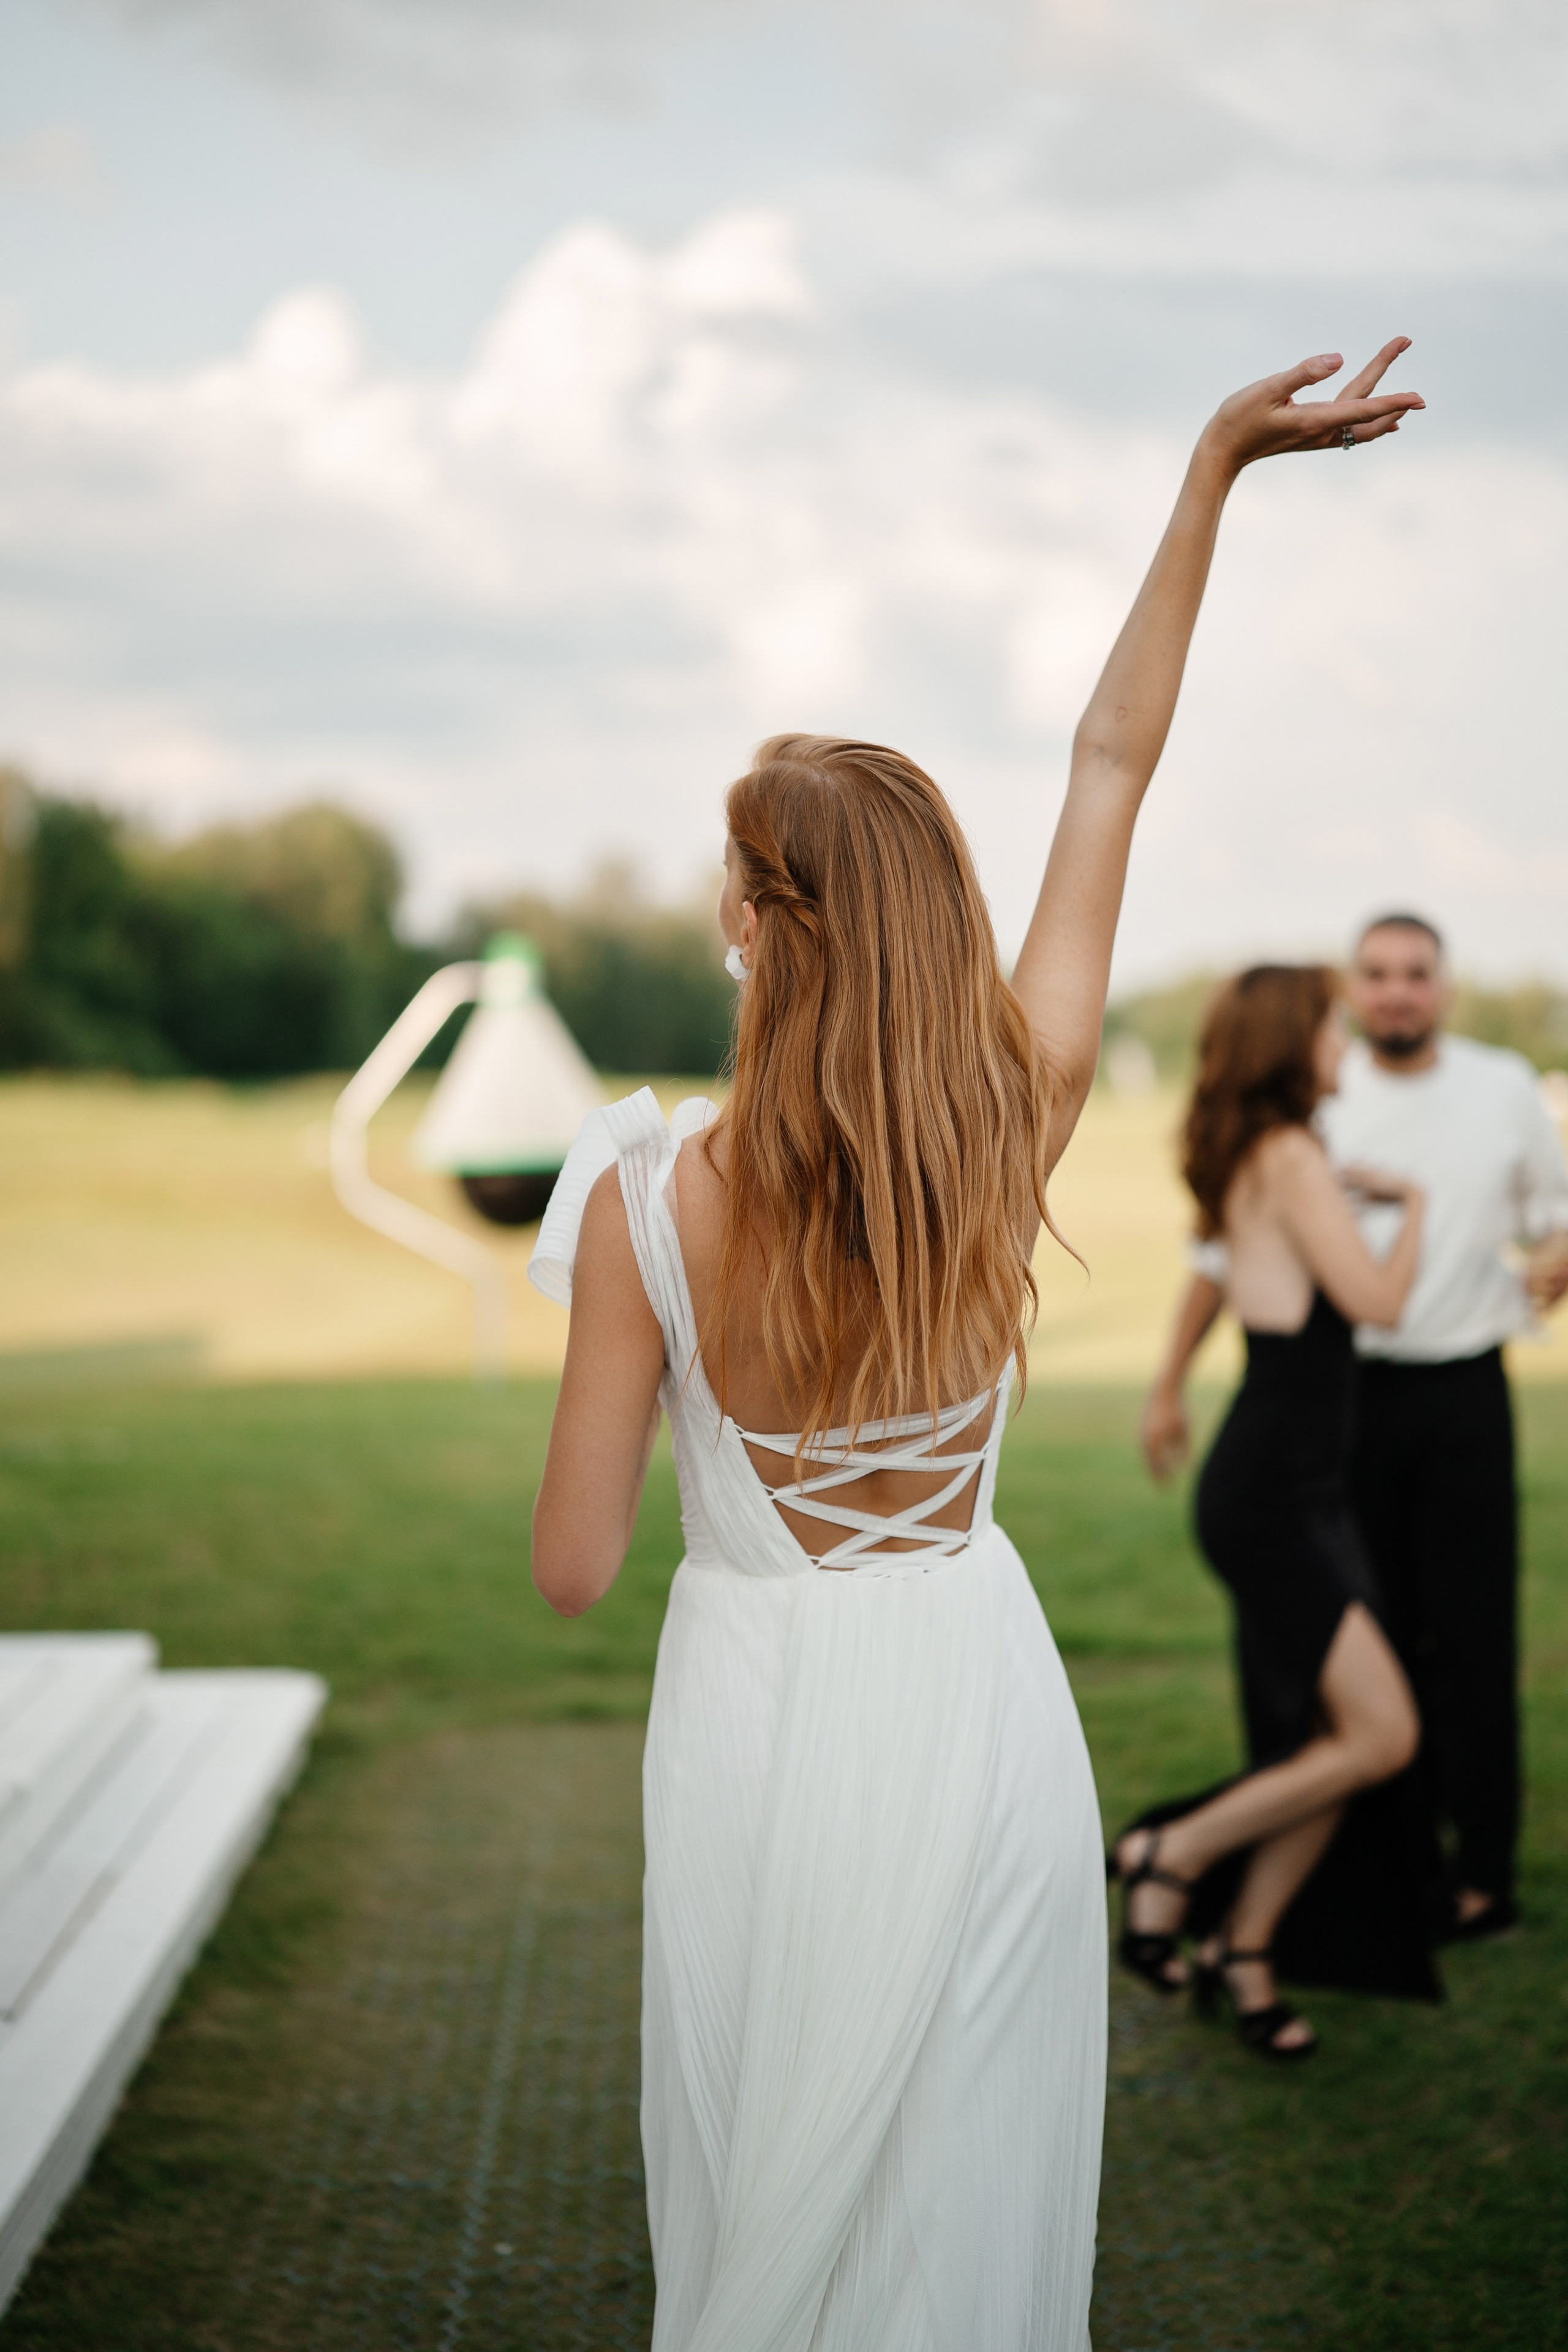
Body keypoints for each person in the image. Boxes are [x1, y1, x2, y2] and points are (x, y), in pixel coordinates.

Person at [528, 342, 1424, 2347]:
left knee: (761, 2149)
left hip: (760, 1697)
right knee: (967, 2164)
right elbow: (1113, 764)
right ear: (927, 913)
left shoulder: (634, 1197)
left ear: (762, 924)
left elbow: (575, 1568)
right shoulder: (1011, 1111)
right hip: (972, 1678)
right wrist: (1212, 468)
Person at [1135, 965, 1438, 2058]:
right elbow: (1379, 1303)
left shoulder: (1263, 1151)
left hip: (1287, 1487)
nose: (1344, 1037)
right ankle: (1171, 1855)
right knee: (1385, 1734)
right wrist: (1411, 1209)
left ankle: (1248, 1949)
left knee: (1343, 1736)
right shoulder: (1297, 1155)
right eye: (1330, 1023)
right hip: (1272, 1499)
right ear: (1290, 1039)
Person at [1322, 914, 1568, 1941]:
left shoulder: (1503, 1083)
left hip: (1468, 1391)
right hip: (1352, 1400)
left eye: (1415, 974)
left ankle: (1486, 1870)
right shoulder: (1326, 1093)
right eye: (1377, 974)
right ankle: (1399, 1856)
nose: (1396, 993)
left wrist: (1556, 1256)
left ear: (1445, 988)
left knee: (1475, 1638)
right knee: (1379, 1636)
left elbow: (1552, 1212)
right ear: (1354, 987)